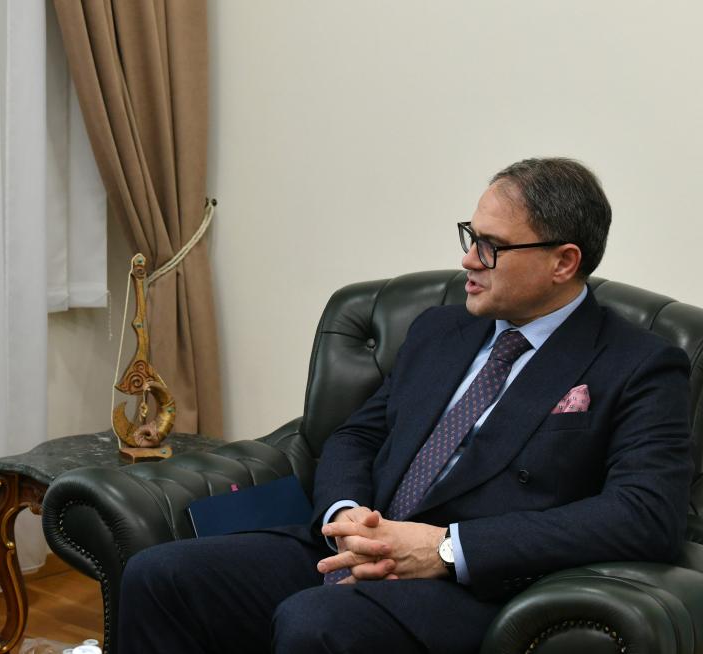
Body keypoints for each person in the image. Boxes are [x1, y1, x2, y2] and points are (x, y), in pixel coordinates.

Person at [117, 158, 693, 653]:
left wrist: (447, 549)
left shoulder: (638, 364)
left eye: (491, 247)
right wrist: (346, 515)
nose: (469, 261)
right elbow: (357, 436)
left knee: (316, 621)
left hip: (476, 586)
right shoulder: (440, 330)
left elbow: (645, 514)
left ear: (563, 262)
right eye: (470, 236)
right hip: (361, 543)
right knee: (159, 574)